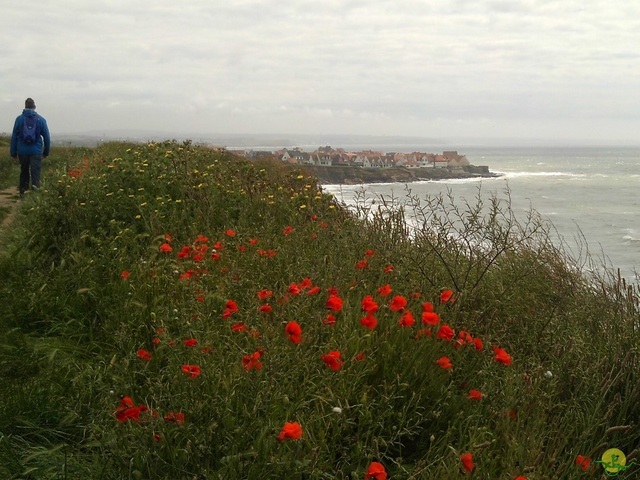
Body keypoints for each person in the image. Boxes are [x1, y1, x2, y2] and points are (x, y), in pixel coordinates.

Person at [10, 98, 51, 198]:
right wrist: (46, 152)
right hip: (36, 151)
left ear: (25, 106)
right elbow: (47, 137)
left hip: (22, 151)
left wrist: (13, 153)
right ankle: (35, 196)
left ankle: (23, 194)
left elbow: (14, 136)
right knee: (35, 172)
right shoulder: (41, 119)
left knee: (24, 171)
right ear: (34, 107)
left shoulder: (19, 119)